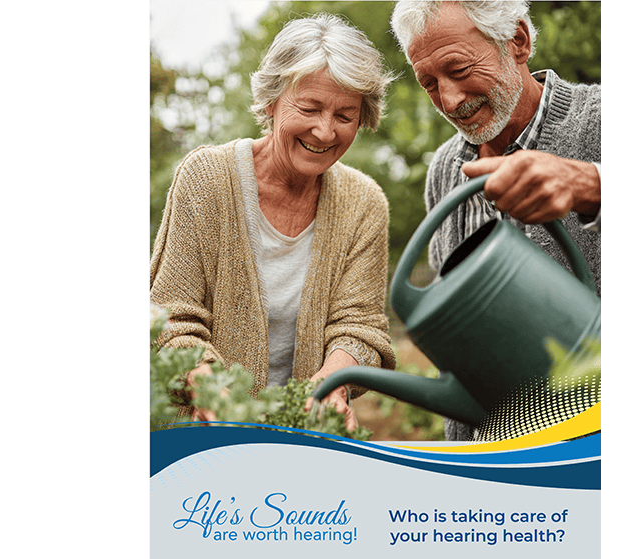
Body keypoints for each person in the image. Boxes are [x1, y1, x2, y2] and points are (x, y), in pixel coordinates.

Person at [149, 14, 397, 430]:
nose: (324, 131)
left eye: (344, 115)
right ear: (272, 100)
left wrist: (329, 385)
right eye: (309, 107)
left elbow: (360, 327)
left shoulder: (365, 203)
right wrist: (211, 389)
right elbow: (170, 319)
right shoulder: (206, 179)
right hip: (200, 435)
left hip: (308, 438)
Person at [391, 0, 601, 441]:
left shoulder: (600, 120)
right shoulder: (446, 170)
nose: (448, 100)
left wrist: (591, 183)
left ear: (518, 41)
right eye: (429, 83)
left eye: (459, 68)